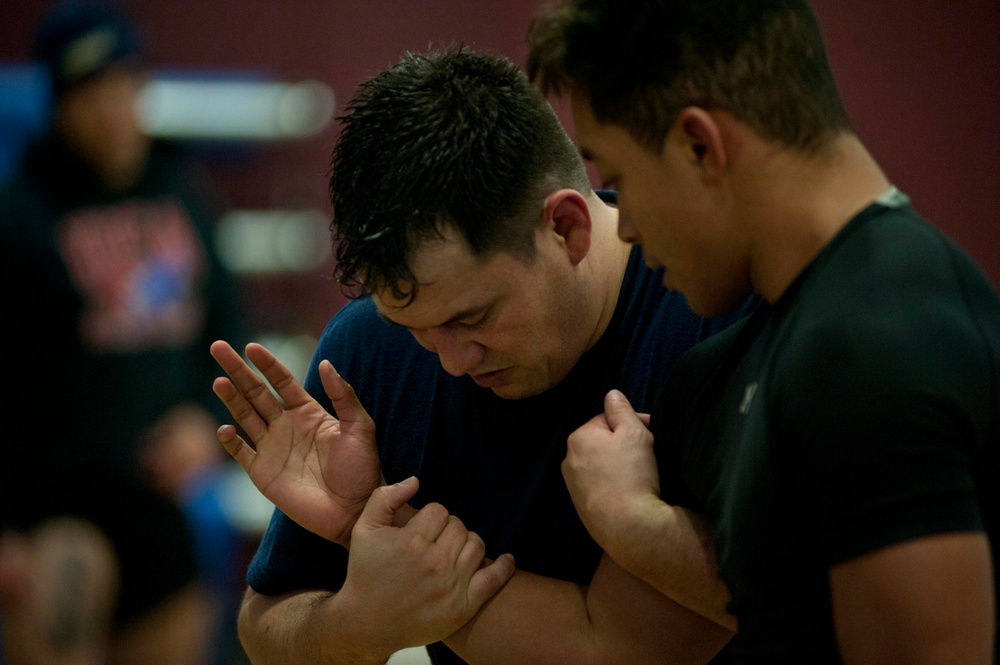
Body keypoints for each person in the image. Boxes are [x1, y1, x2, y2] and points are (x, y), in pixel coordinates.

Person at [208, 48, 759, 665]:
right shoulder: (368, 349)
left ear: (568, 229)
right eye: (414, 328)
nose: (449, 361)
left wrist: (377, 543)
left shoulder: (712, 313)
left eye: (471, 319)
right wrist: (355, 618)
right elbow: (266, 625)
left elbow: (618, 651)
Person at [525, 1, 999, 663]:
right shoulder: (734, 366)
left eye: (620, 180)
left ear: (700, 145)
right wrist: (640, 523)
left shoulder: (879, 341)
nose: (625, 225)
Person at [0, 2, 249, 664]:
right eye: (91, 94)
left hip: (160, 509)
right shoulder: (20, 212)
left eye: (124, 85)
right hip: (54, 511)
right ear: (58, 105)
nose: (113, 108)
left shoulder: (184, 194)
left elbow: (226, 331)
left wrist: (204, 422)